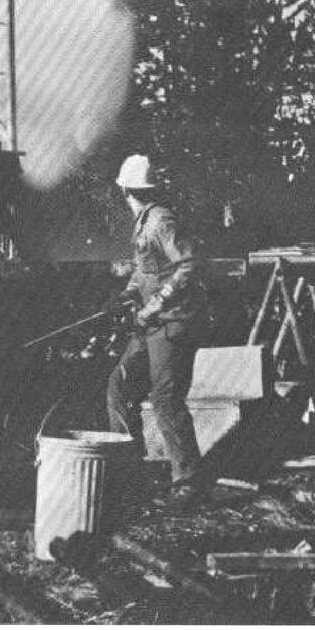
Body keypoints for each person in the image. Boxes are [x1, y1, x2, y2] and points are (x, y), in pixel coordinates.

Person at [105, 154, 210, 509]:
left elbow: (188, 266)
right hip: (151, 323)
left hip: (172, 323)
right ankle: (130, 471)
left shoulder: (161, 221)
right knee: (119, 385)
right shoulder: (144, 221)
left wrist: (152, 305)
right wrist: (128, 295)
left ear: (124, 190)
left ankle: (189, 484)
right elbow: (147, 271)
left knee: (166, 399)